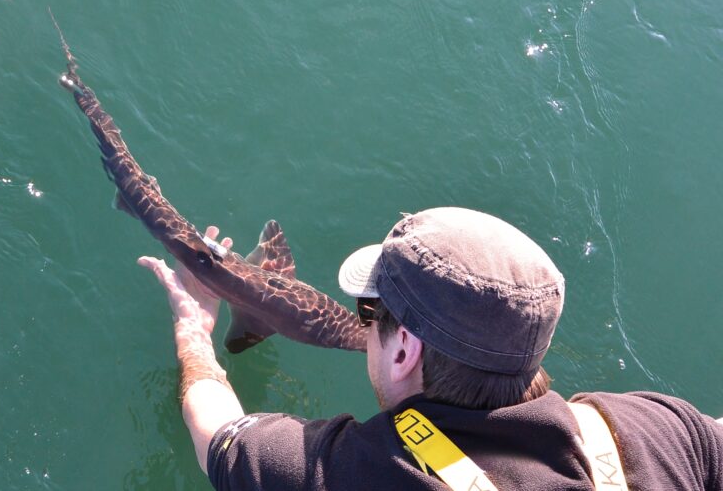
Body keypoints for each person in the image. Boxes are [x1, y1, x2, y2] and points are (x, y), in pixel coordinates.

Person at [137, 208, 723, 490]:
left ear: (404, 352)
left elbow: (216, 431)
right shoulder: (657, 430)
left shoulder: (360, 474)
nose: (365, 328)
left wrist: (193, 327)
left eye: (372, 316)